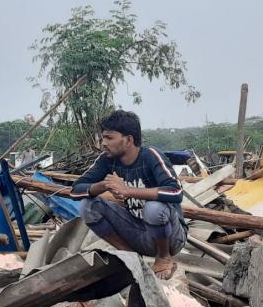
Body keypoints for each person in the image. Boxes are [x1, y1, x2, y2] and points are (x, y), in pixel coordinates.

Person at [71, 110, 186, 279]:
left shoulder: (151, 156)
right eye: (103, 138)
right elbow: (75, 190)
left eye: (109, 138)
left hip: (170, 238)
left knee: (154, 208)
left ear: (129, 140)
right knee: (88, 206)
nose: (103, 143)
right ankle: (130, 256)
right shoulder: (107, 160)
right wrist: (105, 185)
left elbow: (176, 192)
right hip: (137, 233)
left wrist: (128, 190)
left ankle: (163, 258)